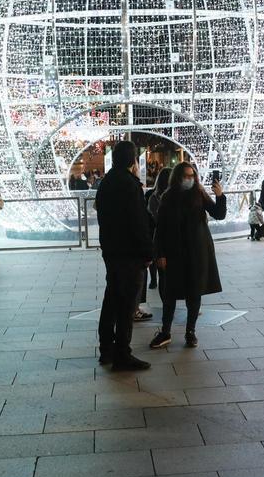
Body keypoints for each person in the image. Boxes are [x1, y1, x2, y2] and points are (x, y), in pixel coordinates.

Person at [149, 163, 227, 349]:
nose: (189, 179)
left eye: (192, 176)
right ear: (177, 177)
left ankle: (190, 332)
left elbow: (219, 214)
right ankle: (165, 331)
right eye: (186, 176)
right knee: (169, 293)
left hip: (197, 251)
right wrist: (160, 254)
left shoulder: (199, 193)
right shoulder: (168, 197)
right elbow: (161, 228)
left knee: (194, 291)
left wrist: (220, 196)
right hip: (174, 252)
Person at [94, 140, 153, 371]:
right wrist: (147, 252)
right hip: (129, 254)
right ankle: (122, 354)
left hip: (112, 251)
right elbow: (138, 222)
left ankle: (106, 349)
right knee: (127, 304)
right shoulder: (129, 184)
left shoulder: (106, 182)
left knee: (111, 300)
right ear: (132, 160)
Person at [145, 168, 172, 286]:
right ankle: (156, 281)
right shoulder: (171, 196)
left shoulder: (150, 194)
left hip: (153, 232)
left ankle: (153, 280)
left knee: (156, 257)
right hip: (163, 233)